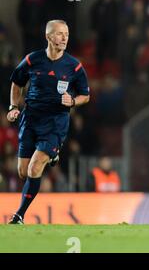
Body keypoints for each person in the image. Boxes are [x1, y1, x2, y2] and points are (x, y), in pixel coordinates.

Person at [6, 20, 90, 224]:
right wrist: (13, 107)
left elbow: (85, 95)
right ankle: (52, 156)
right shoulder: (32, 60)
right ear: (48, 37)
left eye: (67, 34)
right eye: (60, 34)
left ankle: (19, 215)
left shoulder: (74, 66)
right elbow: (17, 83)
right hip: (31, 118)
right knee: (23, 172)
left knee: (35, 167)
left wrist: (73, 101)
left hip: (55, 122)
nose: (64, 38)